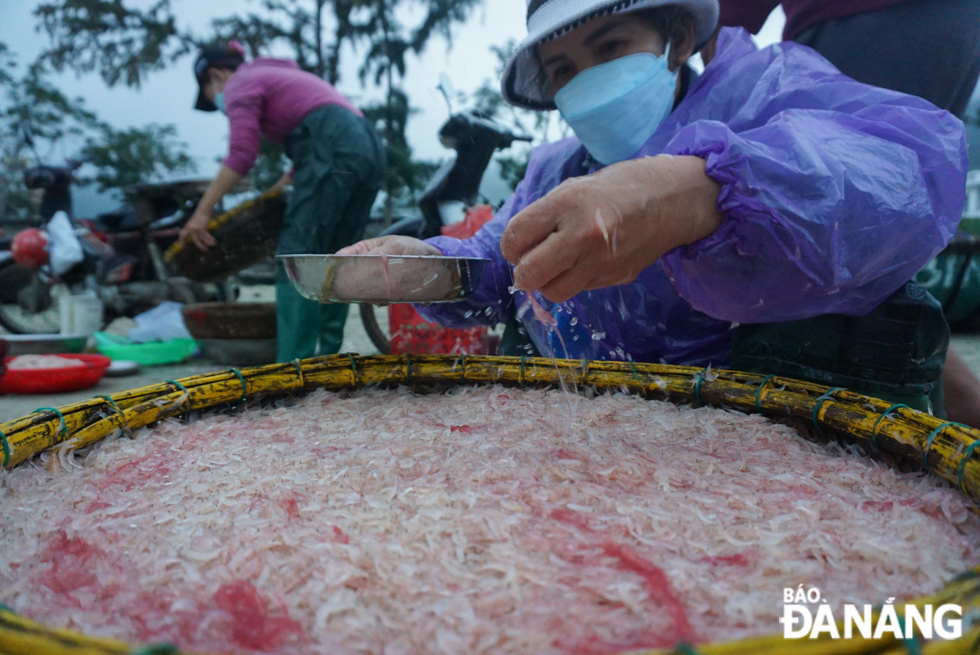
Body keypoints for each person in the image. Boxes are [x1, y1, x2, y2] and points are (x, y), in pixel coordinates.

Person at [342, 0, 967, 412]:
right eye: (562, 69)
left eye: (610, 47)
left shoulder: (763, 96)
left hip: (755, 433)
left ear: (677, 40)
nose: (586, 78)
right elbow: (500, 265)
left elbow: (906, 169)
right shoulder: (555, 169)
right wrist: (424, 264)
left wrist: (702, 191)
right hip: (594, 439)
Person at [712, 0, 980, 425]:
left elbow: (727, 20)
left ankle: (930, 418)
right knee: (871, 262)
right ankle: (955, 407)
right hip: (953, 22)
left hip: (859, 18)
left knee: (820, 246)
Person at [180, 42, 386, 362]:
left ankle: (293, 367)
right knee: (338, 255)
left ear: (216, 75)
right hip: (368, 146)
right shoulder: (275, 74)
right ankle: (327, 359)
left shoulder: (239, 83)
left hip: (334, 145)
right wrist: (283, 184)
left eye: (209, 93)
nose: (218, 102)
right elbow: (318, 131)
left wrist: (202, 212)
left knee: (298, 255)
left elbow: (242, 153)